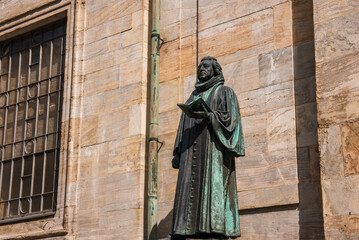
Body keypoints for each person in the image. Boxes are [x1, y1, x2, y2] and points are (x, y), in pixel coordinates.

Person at [171, 56, 245, 239]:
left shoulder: (224, 92)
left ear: (215, 70)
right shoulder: (192, 96)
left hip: (213, 152)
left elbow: (231, 123)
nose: (201, 68)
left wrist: (210, 116)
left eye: (206, 66)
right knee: (187, 189)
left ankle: (213, 231)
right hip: (189, 154)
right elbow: (183, 127)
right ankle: (184, 231)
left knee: (211, 191)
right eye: (200, 66)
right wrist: (178, 151)